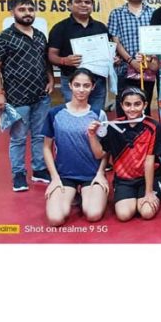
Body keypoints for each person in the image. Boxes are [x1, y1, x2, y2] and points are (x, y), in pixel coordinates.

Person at [0, 0, 54, 192]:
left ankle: (39, 169)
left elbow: (45, 61)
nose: (27, 13)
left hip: (41, 96)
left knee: (39, 135)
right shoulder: (2, 38)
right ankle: (18, 174)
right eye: (22, 9)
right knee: (18, 138)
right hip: (17, 97)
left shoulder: (41, 35)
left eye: (30, 9)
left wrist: (50, 78)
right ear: (12, 12)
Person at [44, 68, 108, 226]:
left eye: (86, 86)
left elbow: (105, 152)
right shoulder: (55, 113)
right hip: (65, 175)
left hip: (91, 174)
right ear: (70, 85)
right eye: (77, 85)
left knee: (93, 214)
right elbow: (46, 148)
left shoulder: (99, 114)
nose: (81, 89)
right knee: (56, 219)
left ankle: (86, 195)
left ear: (92, 87)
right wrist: (54, 178)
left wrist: (100, 174)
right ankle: (72, 194)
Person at [91, 86, 161, 221]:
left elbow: (149, 161)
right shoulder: (113, 126)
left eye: (137, 104)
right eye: (127, 104)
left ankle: (150, 192)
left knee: (146, 213)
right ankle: (134, 197)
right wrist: (91, 135)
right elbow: (100, 154)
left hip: (148, 178)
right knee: (124, 215)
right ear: (121, 105)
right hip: (124, 180)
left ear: (145, 105)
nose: (132, 109)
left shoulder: (153, 126)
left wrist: (148, 192)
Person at [47, 0, 110, 113]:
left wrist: (113, 58)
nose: (83, 5)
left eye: (87, 2)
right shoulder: (60, 28)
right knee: (75, 115)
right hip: (72, 80)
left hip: (97, 81)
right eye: (78, 2)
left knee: (96, 117)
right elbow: (51, 55)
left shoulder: (101, 27)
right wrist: (65, 60)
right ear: (69, 5)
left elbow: (108, 51)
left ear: (92, 5)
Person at [108, 0, 157, 116]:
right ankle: (124, 137)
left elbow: (158, 40)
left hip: (147, 69)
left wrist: (148, 61)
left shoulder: (154, 13)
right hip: (124, 68)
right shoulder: (116, 14)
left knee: (144, 106)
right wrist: (131, 61)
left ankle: (145, 137)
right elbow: (115, 41)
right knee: (124, 106)